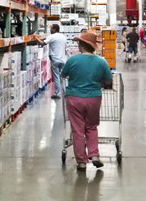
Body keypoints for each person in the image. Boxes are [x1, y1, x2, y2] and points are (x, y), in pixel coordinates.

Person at [61, 30, 112, 171]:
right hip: (94, 98)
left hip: (74, 98)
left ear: (81, 45)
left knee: (78, 130)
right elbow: (108, 80)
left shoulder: (72, 60)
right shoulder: (101, 62)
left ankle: (81, 161)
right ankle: (94, 155)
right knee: (91, 127)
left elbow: (63, 74)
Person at [35, 24, 67, 99]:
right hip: (63, 59)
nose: (50, 29)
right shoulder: (63, 37)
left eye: (51, 28)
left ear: (54, 29)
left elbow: (42, 43)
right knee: (64, 77)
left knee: (56, 77)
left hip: (55, 60)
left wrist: (36, 37)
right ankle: (66, 92)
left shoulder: (52, 36)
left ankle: (57, 93)